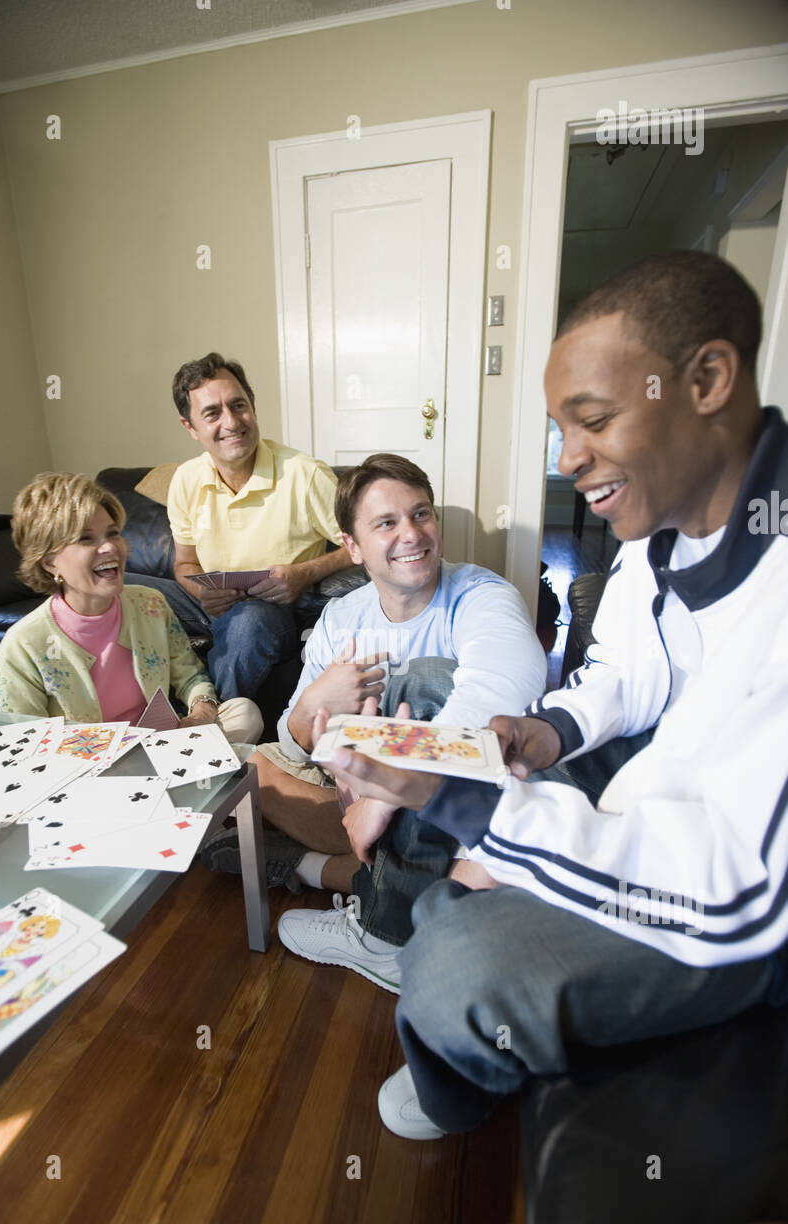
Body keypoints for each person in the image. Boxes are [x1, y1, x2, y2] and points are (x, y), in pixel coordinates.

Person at [313, 252, 788, 1139]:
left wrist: (456, 798)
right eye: (560, 429)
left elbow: (740, 886)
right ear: (353, 547)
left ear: (709, 379)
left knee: (448, 968)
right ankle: (424, 892)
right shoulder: (662, 530)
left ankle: (456, 1033)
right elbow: (627, 669)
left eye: (595, 421)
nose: (569, 460)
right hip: (657, 795)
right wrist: (547, 730)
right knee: (485, 776)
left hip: (745, 923)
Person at [205, 453, 547, 991]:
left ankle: (356, 898)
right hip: (358, 787)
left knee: (427, 677)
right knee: (251, 769)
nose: (411, 534)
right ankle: (389, 875)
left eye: (421, 514)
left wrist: (385, 791)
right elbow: (294, 748)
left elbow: (505, 692)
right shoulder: (341, 617)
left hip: (454, 788)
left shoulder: (481, 594)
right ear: (353, 547)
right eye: (386, 523)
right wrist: (314, 705)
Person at [0, 471, 263, 743]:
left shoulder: (150, 604)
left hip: (159, 743)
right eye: (87, 539)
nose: (110, 546)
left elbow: (191, 675)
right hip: (85, 763)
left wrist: (201, 711)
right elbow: (25, 742)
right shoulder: (23, 644)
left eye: (112, 534)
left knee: (244, 713)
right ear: (50, 562)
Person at [153, 352, 353, 703]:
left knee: (248, 621)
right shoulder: (185, 479)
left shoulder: (304, 474)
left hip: (270, 610)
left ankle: (212, 723)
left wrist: (303, 573)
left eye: (239, 405)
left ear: (253, 407)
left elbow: (365, 544)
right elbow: (184, 565)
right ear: (190, 427)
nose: (231, 422)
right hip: (207, 602)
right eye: (212, 413)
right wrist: (203, 593)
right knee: (118, 591)